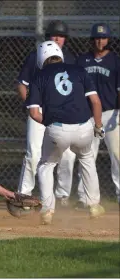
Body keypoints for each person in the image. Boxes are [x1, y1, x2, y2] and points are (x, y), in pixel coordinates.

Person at [26, 40, 105, 224]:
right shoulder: (79, 70)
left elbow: (33, 112)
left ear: (41, 59)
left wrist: (48, 122)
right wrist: (98, 126)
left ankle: (47, 211)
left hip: (58, 129)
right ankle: (94, 205)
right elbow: (96, 102)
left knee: (46, 165)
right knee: (86, 159)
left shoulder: (38, 77)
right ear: (60, 55)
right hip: (84, 127)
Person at [17, 20, 76, 206]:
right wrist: (30, 104)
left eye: (61, 36)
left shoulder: (70, 59)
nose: (57, 38)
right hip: (39, 109)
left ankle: (62, 195)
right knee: (33, 152)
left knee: (68, 154)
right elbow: (22, 84)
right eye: (54, 35)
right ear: (47, 38)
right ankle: (24, 195)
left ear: (65, 39)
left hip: (61, 111)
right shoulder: (35, 57)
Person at [74, 23, 120, 208]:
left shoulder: (116, 61)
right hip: (87, 114)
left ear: (109, 40)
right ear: (92, 40)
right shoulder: (82, 61)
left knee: (117, 155)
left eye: (103, 38)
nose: (100, 41)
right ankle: (84, 198)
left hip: (111, 113)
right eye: (97, 38)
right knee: (86, 156)